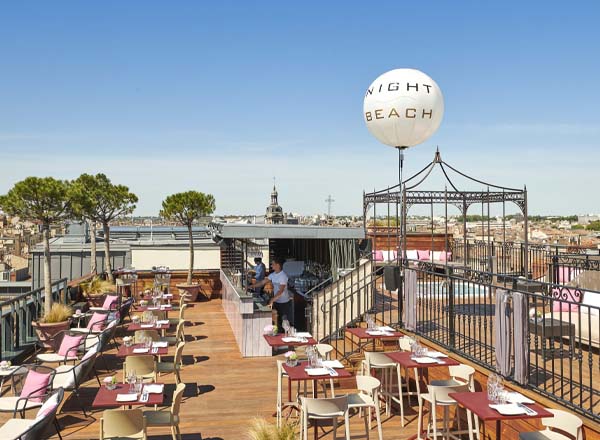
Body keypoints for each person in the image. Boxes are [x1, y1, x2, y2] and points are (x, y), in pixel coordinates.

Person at [250, 257, 292, 330]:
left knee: (285, 324)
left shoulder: (283, 276)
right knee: (278, 323)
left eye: (273, 264)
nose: (271, 266)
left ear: (278, 265)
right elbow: (263, 282)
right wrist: (252, 286)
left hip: (284, 303)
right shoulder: (273, 275)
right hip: (277, 302)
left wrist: (272, 300)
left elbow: (280, 291)